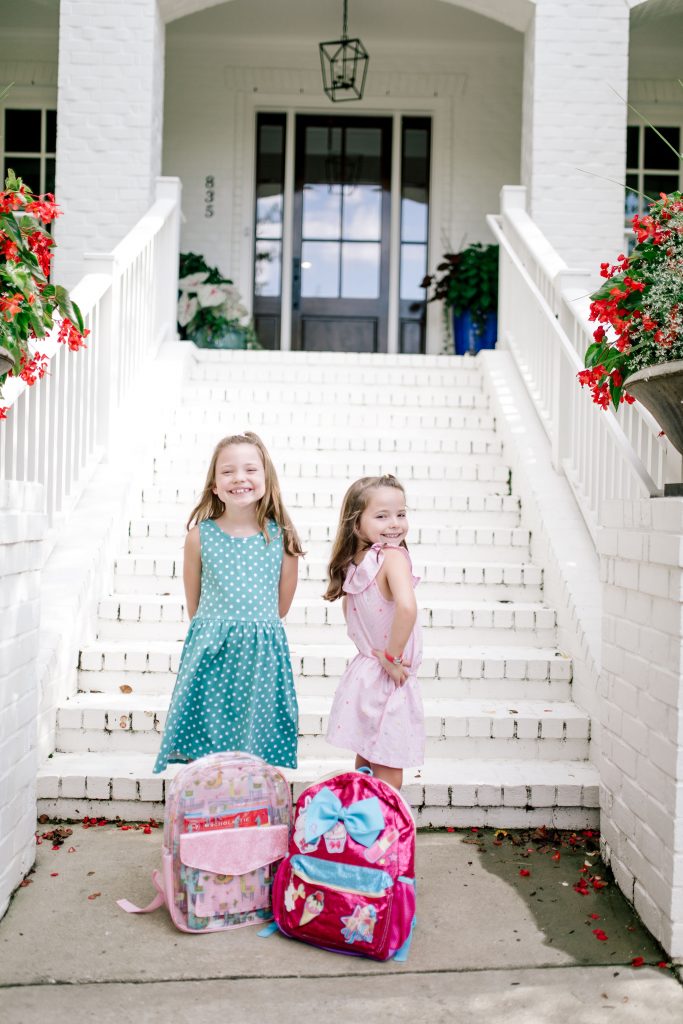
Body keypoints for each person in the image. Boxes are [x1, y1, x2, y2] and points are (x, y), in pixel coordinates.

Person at [153, 432, 303, 773]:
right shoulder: (199, 536)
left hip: (260, 655)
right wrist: (219, 630)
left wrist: (248, 629)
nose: (240, 478)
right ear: (214, 486)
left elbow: (280, 607)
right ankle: (209, 806)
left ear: (266, 479)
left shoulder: (281, 537)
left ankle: (246, 808)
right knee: (207, 738)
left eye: (250, 469)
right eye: (228, 471)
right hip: (211, 650)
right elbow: (196, 605)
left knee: (253, 744)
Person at [323, 474, 425, 790]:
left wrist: (377, 654)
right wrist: (392, 656)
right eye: (381, 516)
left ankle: (361, 830)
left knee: (366, 760)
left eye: (401, 513)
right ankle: (385, 836)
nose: (395, 523)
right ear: (356, 524)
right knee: (389, 769)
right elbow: (407, 608)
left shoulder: (356, 563)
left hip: (365, 673)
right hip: (388, 676)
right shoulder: (392, 557)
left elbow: (354, 620)